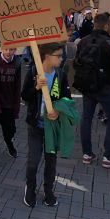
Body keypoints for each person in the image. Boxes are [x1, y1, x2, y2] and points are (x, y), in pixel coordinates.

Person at [22, 42, 71, 208]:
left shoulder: (61, 75)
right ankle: (30, 188)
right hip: (35, 125)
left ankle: (48, 190)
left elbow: (67, 99)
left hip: (52, 127)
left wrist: (58, 111)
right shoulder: (34, 72)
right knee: (33, 160)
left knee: (51, 161)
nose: (61, 58)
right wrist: (36, 87)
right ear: (47, 57)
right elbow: (24, 96)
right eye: (58, 55)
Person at [75, 13, 110, 168]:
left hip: (88, 86)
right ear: (106, 26)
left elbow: (77, 63)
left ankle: (87, 154)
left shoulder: (83, 41)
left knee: (86, 118)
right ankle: (108, 157)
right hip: (107, 88)